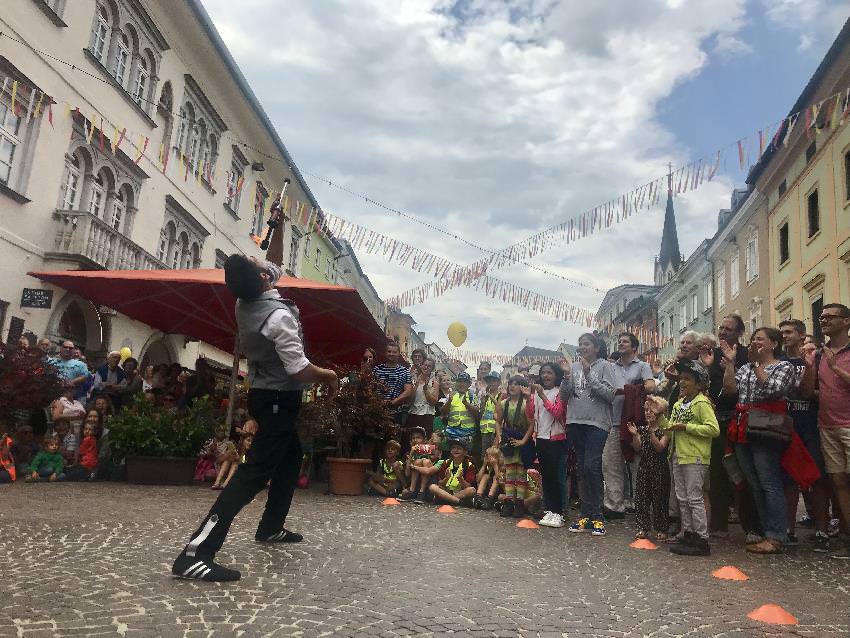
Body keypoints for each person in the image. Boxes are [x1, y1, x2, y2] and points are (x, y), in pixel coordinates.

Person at [172, 255, 338, 582]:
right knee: (251, 474)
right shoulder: (277, 317)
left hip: (266, 394)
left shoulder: (243, 302)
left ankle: (271, 526)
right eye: (260, 270)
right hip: (278, 397)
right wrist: (329, 376)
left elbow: (270, 270)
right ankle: (195, 553)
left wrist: (251, 264)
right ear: (263, 281)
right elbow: (299, 369)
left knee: (291, 457)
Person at [724, 327, 796, 554]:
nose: (755, 343)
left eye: (761, 339)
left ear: (774, 343)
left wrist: (756, 365)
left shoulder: (784, 366)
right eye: (754, 339)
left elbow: (773, 389)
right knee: (754, 483)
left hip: (766, 427)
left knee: (769, 482)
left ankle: (776, 535)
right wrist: (729, 363)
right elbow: (730, 389)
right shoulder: (745, 367)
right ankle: (767, 532)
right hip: (743, 425)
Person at [801, 304, 850, 559]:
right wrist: (810, 366)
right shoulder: (820, 354)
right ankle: (846, 534)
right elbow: (811, 393)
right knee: (838, 480)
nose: (824, 320)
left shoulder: (835, 356)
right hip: (827, 424)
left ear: (846, 322)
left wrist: (835, 366)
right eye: (821, 317)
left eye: (830, 317)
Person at [657, 359, 718, 556]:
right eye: (681, 378)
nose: (682, 382)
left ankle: (702, 538)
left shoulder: (702, 403)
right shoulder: (678, 404)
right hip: (678, 455)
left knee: (694, 497)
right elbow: (670, 428)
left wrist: (687, 427)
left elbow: (713, 429)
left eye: (688, 379)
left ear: (699, 383)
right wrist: (659, 416)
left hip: (695, 456)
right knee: (682, 498)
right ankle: (689, 532)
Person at [780, 319, 830, 551]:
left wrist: (808, 366)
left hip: (811, 424)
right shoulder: (779, 361)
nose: (784, 336)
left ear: (802, 335)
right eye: (782, 332)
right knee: (788, 480)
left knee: (817, 478)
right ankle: (788, 529)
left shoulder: (814, 360)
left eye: (789, 332)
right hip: (786, 426)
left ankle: (822, 529)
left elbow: (810, 393)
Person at [561, 333, 617, 537]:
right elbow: (564, 396)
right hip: (576, 421)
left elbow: (611, 395)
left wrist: (589, 374)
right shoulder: (574, 367)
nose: (582, 347)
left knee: (591, 467)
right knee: (581, 469)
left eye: (586, 344)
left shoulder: (605, 366)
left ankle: (598, 516)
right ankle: (585, 514)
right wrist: (566, 377)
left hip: (597, 423)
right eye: (580, 344)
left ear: (596, 347)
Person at [704, 315, 751, 539]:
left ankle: (748, 524)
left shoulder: (745, 354)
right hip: (715, 418)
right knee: (716, 473)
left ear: (739, 333)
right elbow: (704, 384)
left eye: (729, 329)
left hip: (738, 417)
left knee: (740, 472)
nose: (723, 332)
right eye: (721, 328)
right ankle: (718, 524)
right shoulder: (711, 353)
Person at [605, 333, 655, 520]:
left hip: (635, 423)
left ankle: (641, 506)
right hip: (613, 422)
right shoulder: (610, 367)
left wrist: (632, 388)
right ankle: (614, 506)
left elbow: (650, 386)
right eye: (619, 341)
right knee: (611, 465)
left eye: (625, 341)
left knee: (638, 466)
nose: (620, 343)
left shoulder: (642, 366)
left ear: (634, 347)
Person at [527, 363, 567, 527]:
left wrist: (543, 396)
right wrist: (531, 396)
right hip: (541, 438)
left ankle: (558, 511)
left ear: (556, 375)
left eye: (549, 372)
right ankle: (549, 509)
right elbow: (530, 414)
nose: (546, 376)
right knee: (546, 477)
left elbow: (558, 413)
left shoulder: (560, 392)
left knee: (556, 476)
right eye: (543, 373)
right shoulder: (537, 393)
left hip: (556, 439)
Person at [628, 396, 671, 541]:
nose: (647, 413)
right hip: (644, 466)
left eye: (651, 410)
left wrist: (652, 431)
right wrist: (635, 436)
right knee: (641, 498)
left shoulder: (665, 429)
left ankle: (662, 528)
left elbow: (660, 448)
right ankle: (643, 527)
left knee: (660, 499)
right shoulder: (641, 428)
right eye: (645, 410)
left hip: (659, 467)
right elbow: (637, 448)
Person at [497, 375, 535, 519]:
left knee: (521, 474)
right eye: (510, 384)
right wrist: (500, 437)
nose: (512, 386)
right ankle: (508, 503)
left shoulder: (526, 404)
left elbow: (532, 423)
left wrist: (524, 441)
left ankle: (519, 504)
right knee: (509, 473)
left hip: (522, 441)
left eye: (516, 384)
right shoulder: (503, 403)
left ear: (522, 387)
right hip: (509, 440)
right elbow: (498, 421)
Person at [373, 342, 413, 427]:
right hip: (377, 410)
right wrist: (377, 401)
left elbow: (409, 391)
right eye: (389, 351)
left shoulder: (404, 371)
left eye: (394, 352)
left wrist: (394, 402)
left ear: (398, 354)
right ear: (385, 353)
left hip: (396, 412)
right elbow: (370, 388)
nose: (391, 354)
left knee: (394, 438)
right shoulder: (377, 369)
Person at [428, 439, 476, 506]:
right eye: (453, 448)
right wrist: (446, 479)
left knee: (472, 490)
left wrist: (460, 479)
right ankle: (458, 502)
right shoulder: (446, 463)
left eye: (459, 448)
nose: (455, 450)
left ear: (465, 452)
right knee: (432, 487)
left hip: (460, 492)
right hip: (447, 491)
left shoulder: (470, 465)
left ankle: (446, 500)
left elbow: (468, 486)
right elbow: (440, 483)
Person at [441, 372, 478, 450]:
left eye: (465, 382)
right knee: (452, 455)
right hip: (452, 433)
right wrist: (449, 401)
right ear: (456, 383)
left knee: (467, 456)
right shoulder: (451, 395)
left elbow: (477, 412)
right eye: (460, 381)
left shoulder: (473, 395)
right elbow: (443, 412)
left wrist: (466, 403)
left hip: (467, 433)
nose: (462, 384)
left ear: (469, 384)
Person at [399, 427, 433, 501]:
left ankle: (422, 492)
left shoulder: (431, 451)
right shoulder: (409, 454)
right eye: (413, 438)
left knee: (425, 461)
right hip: (414, 485)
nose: (415, 440)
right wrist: (411, 454)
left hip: (428, 484)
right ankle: (412, 492)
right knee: (403, 492)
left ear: (425, 440)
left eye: (418, 437)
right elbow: (407, 474)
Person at [407, 357, 438, 436]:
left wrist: (425, 389)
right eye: (425, 365)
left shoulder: (434, 382)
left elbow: (433, 401)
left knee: (425, 441)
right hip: (414, 414)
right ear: (421, 366)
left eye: (429, 366)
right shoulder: (413, 379)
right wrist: (416, 386)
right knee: (412, 440)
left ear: (432, 369)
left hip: (427, 415)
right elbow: (410, 400)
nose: (426, 367)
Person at [478, 371, 503, 456]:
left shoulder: (501, 395)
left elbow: (500, 408)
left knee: (495, 455)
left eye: (494, 380)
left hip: (496, 431)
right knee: (485, 455)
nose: (491, 383)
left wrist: (491, 397)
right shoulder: (484, 396)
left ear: (499, 382)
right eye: (489, 381)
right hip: (484, 430)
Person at [473, 446, 504, 510]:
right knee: (485, 476)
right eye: (487, 456)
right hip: (486, 490)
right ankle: (478, 497)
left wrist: (495, 466)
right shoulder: (487, 468)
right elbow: (478, 480)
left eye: (492, 457)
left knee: (496, 477)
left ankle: (490, 499)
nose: (489, 459)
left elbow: (500, 479)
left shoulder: (502, 466)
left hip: (499, 491)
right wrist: (484, 465)